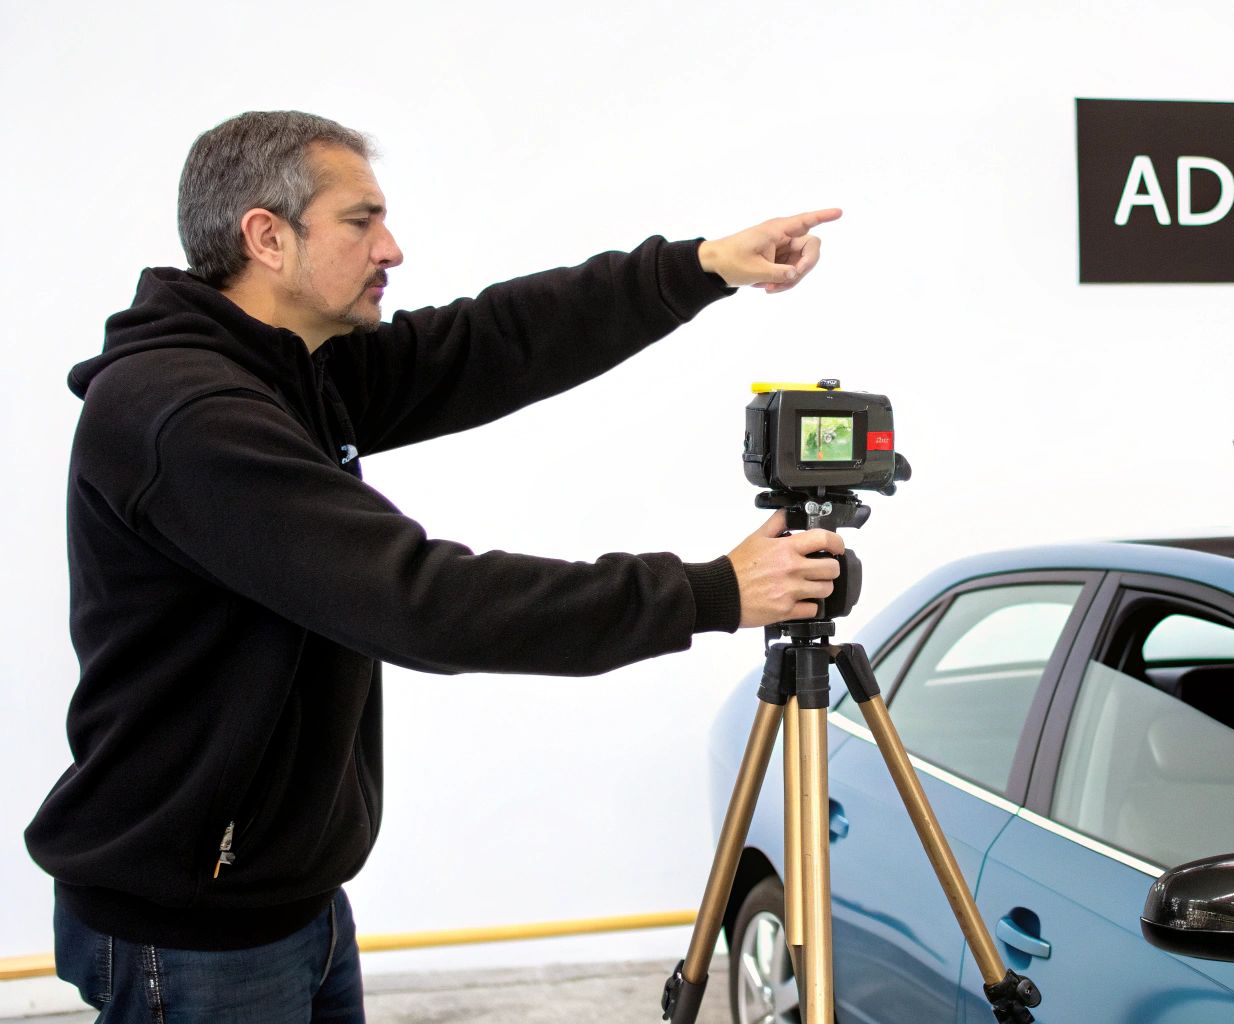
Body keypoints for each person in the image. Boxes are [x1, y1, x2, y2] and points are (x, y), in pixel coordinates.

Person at [25, 110, 845, 1023]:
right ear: (267, 237)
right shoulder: (185, 416)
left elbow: (488, 343)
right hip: (190, 928)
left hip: (287, 895)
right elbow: (424, 601)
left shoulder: (292, 369)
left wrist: (695, 269)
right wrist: (710, 592)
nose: (393, 248)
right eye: (360, 221)